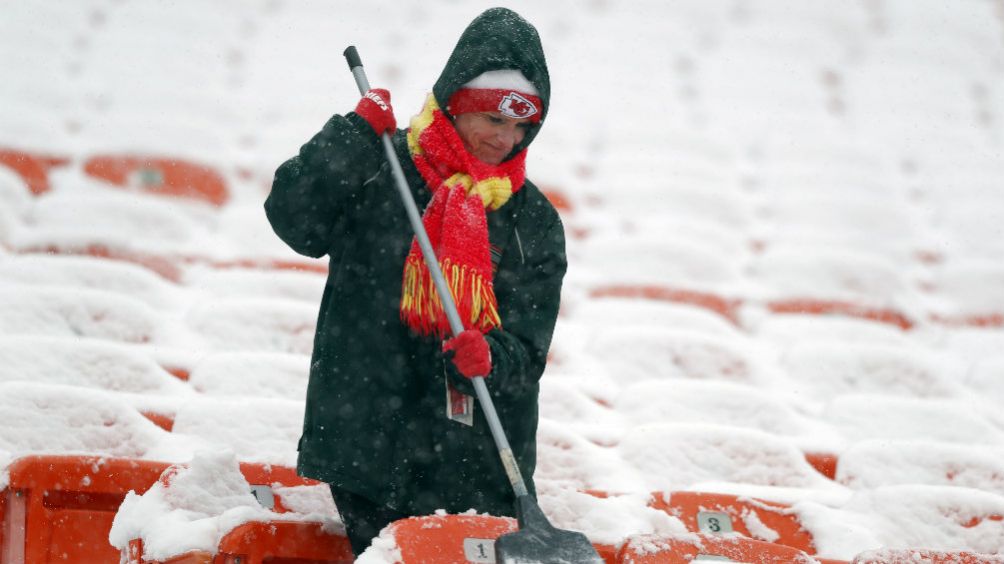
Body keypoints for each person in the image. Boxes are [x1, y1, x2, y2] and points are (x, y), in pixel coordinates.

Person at [264, 7, 565, 557]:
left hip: (478, 461)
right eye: (493, 121)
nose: (507, 139)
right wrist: (350, 138)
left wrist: (492, 356)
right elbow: (294, 221)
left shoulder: (533, 218)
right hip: (368, 444)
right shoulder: (381, 164)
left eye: (522, 126)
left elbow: (529, 347)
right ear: (455, 104)